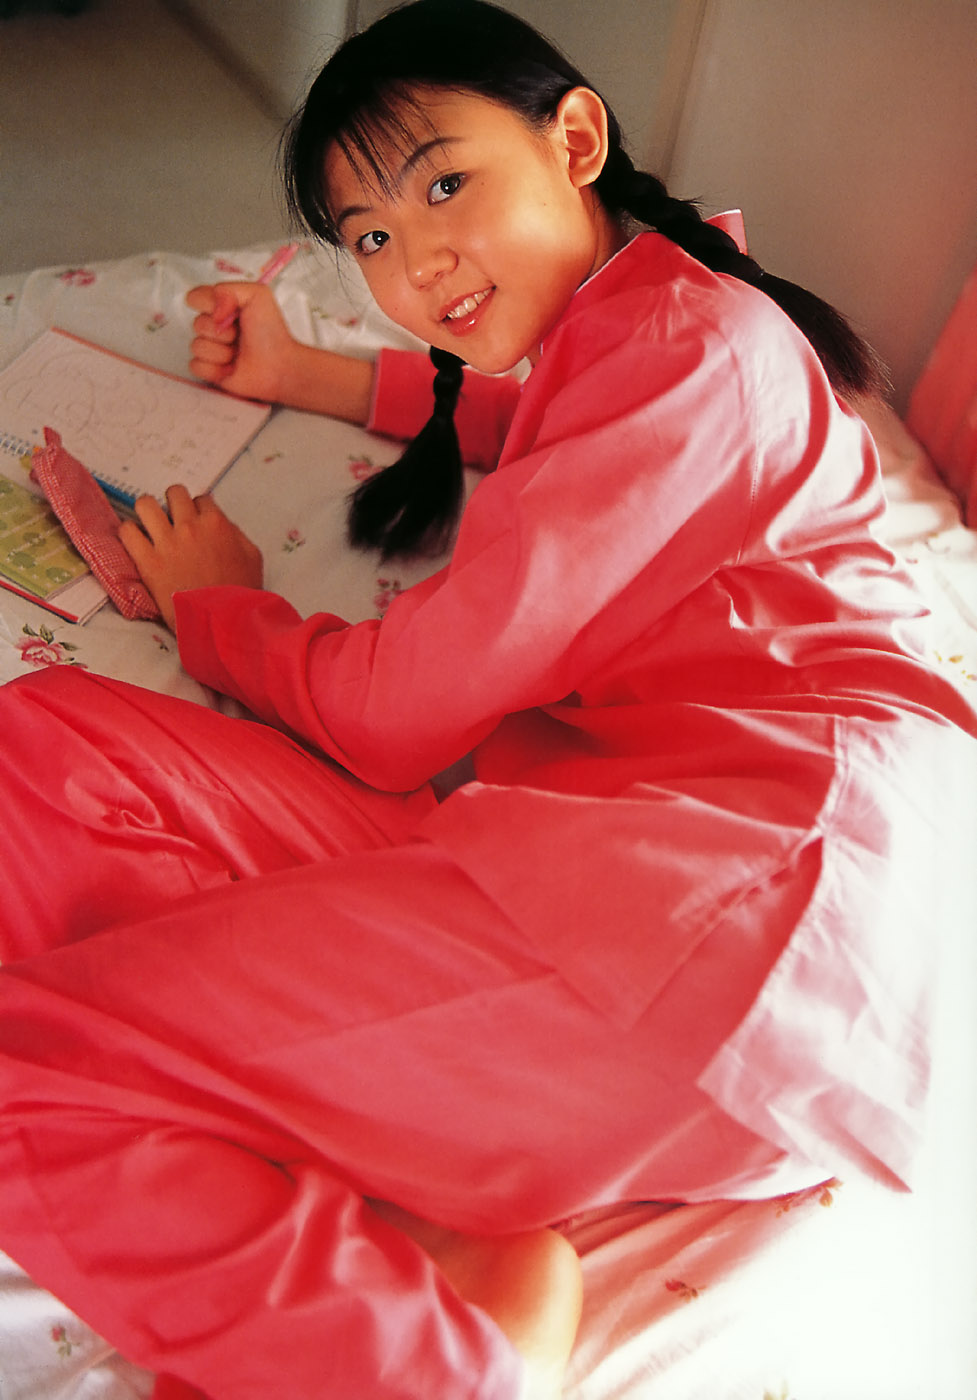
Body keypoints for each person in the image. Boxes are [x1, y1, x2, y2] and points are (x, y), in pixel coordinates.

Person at [0, 2, 974, 1397]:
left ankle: (445, 1357)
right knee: (44, 749)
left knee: (26, 1070)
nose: (415, 261)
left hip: (752, 931)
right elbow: (535, 427)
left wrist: (226, 610)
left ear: (573, 140)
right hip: (620, 866)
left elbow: (397, 712)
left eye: (445, 184)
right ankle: (287, 1126)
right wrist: (312, 373)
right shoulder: (648, 333)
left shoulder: (699, 348)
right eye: (368, 239)